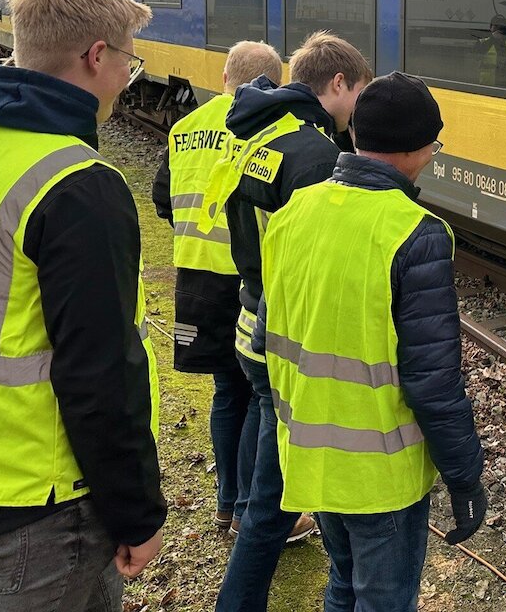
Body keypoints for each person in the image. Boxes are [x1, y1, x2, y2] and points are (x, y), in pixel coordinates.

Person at [0, 0, 165, 610]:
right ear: (97, 56)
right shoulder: (79, 185)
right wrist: (136, 511)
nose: (127, 78)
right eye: (129, 60)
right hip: (41, 494)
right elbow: (99, 372)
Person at [262, 72, 486, 612]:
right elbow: (433, 382)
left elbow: (274, 326)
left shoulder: (294, 212)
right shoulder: (417, 233)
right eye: (434, 145)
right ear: (414, 150)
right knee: (383, 600)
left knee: (343, 585)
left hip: (309, 454)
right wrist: (465, 477)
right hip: (379, 473)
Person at [206, 31, 373, 612]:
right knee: (271, 505)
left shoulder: (262, 136)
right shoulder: (315, 156)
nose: (358, 111)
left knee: (266, 485)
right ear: (338, 83)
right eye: (359, 95)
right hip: (282, 336)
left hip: (252, 316)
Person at [151, 40, 283, 533]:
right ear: (273, 84)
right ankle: (249, 507)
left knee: (226, 390)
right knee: (257, 394)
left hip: (194, 279)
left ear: (225, 77)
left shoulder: (185, 127)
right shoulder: (267, 128)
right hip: (248, 280)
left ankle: (227, 501)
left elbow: (162, 198)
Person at [478, 14, 506, 88]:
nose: (499, 29)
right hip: (490, 86)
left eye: (502, 27)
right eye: (496, 26)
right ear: (490, 28)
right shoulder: (483, 42)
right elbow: (475, 56)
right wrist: (493, 38)